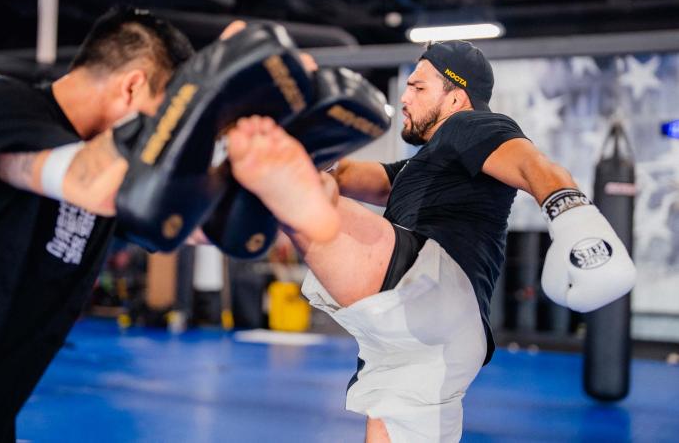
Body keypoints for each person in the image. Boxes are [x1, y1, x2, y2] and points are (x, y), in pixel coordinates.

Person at [223, 40, 635, 442]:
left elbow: (534, 165)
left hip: (437, 288)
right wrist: (311, 140)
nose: (405, 98)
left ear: (456, 99)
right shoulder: (422, 167)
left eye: (418, 87)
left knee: (304, 196)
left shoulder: (472, 126)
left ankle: (256, 176)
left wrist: (574, 218)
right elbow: (346, 176)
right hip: (423, 334)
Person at [0, 6, 195, 440]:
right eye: (164, 114)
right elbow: (88, 182)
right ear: (133, 86)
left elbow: (193, 223)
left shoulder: (114, 171)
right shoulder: (1, 104)